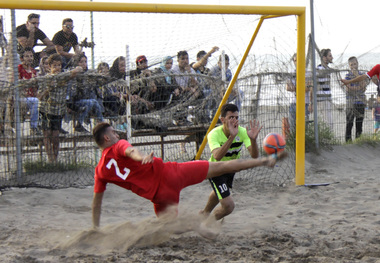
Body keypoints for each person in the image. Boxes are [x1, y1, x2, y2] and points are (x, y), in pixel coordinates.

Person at [91, 122, 287, 229]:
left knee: (169, 229)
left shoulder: (100, 171)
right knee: (222, 167)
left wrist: (95, 228)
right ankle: (264, 161)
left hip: (160, 197)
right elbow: (130, 150)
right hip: (170, 174)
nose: (118, 136)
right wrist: (141, 157)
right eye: (115, 134)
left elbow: (97, 203)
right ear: (107, 138)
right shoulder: (118, 145)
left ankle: (196, 226)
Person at [199, 103, 261, 222]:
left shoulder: (242, 132)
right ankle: (208, 223)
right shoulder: (213, 134)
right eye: (231, 118)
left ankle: (204, 213)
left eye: (236, 118)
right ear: (223, 120)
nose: (234, 121)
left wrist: (253, 140)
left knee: (220, 192)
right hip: (215, 170)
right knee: (229, 206)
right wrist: (231, 137)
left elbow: (255, 155)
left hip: (230, 169)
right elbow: (217, 156)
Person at [37, 54, 83, 163]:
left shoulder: (64, 77)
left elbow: (79, 70)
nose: (57, 68)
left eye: (59, 65)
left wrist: (74, 70)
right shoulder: (45, 79)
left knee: (55, 136)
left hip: (57, 111)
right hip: (45, 110)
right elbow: (39, 96)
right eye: (55, 65)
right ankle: (50, 160)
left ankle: (56, 160)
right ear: (49, 66)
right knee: (47, 135)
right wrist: (49, 88)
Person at [69, 54, 105, 133]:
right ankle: (102, 124)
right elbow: (73, 92)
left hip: (85, 99)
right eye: (81, 62)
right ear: (77, 63)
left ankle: (101, 124)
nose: (84, 64)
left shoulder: (88, 75)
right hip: (75, 101)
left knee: (93, 102)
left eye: (85, 62)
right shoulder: (73, 75)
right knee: (91, 102)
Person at [342, 57, 368, 142]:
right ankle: (348, 141)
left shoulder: (361, 74)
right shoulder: (348, 76)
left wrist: (357, 76)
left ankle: (358, 140)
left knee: (359, 123)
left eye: (355, 64)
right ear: (349, 66)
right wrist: (358, 87)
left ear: (357, 64)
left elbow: (364, 87)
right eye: (351, 65)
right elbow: (347, 88)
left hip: (360, 101)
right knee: (349, 123)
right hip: (350, 102)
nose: (353, 66)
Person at [286, 53, 313, 132]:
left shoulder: (308, 73)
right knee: (293, 127)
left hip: (305, 103)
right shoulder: (291, 73)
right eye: (295, 60)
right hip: (293, 103)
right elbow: (287, 87)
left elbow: (309, 88)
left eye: (298, 60)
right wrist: (302, 88)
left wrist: (295, 88)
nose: (297, 62)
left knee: (304, 127)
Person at [18, 47, 40, 135]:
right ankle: (33, 127)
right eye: (27, 56)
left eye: (31, 56)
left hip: (31, 98)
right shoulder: (19, 68)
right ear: (22, 58)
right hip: (20, 97)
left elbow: (35, 89)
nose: (30, 58)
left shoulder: (33, 71)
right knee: (35, 101)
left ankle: (36, 127)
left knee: (37, 101)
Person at [316, 48, 334, 130]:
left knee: (328, 122)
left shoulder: (327, 69)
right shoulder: (319, 69)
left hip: (328, 98)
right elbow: (315, 84)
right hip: (322, 99)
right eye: (330, 56)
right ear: (324, 57)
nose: (332, 57)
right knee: (327, 122)